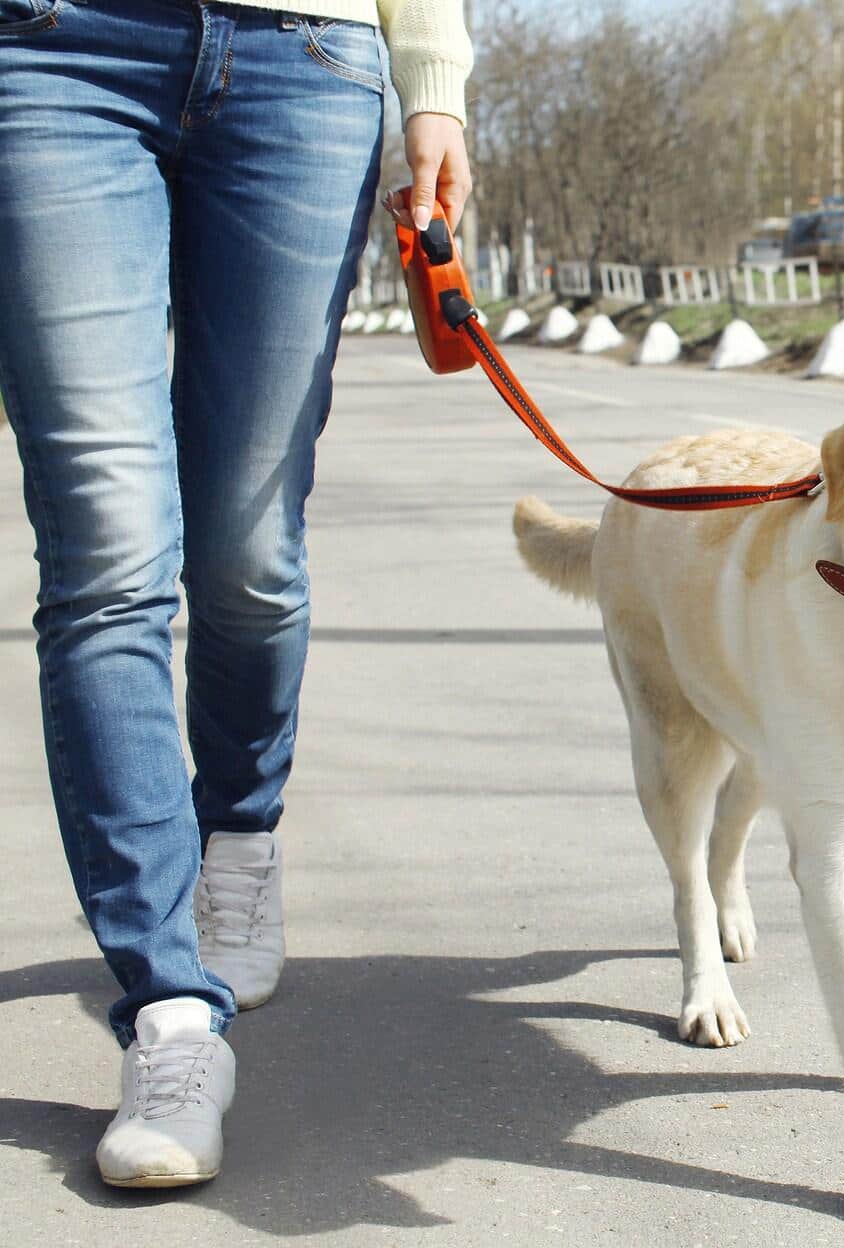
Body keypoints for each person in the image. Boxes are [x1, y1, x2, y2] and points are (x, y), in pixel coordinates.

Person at [0, 0, 472, 1188]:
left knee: (249, 551)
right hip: (49, 48)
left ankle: (240, 837)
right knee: (108, 551)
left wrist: (433, 82)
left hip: (303, 55)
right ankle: (169, 1015)